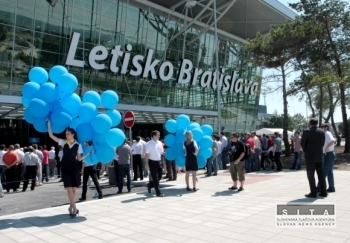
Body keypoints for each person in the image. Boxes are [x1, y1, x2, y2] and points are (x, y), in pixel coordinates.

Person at [47, 120, 93, 217]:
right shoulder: (64, 142)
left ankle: (71, 207)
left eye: (68, 134)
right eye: (66, 134)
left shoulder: (78, 145)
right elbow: (51, 136)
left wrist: (87, 154)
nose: (66, 135)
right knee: (69, 188)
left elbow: (79, 158)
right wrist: (49, 124)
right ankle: (75, 209)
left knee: (73, 189)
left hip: (74, 167)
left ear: (73, 134)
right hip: (65, 167)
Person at [301, 118, 327, 198]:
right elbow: (323, 143)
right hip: (319, 155)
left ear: (310, 123)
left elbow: (303, 143)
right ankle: (323, 192)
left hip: (310, 156)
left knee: (310, 175)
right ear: (317, 123)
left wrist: (306, 151)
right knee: (321, 174)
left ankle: (313, 192)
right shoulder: (322, 131)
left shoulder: (306, 131)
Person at [317, 123, 336, 193]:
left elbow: (333, 141)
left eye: (324, 126)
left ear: (327, 127)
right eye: (321, 126)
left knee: (324, 171)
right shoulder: (324, 134)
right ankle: (331, 187)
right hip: (328, 154)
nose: (322, 127)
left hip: (328, 154)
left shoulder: (327, 133)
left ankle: (319, 187)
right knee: (329, 172)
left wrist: (327, 148)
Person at [145, 130, 164, 197]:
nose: (159, 136)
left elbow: (161, 152)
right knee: (155, 178)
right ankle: (158, 192)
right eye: (158, 135)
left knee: (160, 176)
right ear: (154, 136)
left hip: (159, 161)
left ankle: (150, 185)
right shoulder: (148, 144)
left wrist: (162, 153)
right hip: (152, 162)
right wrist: (146, 163)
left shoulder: (159, 143)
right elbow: (147, 154)